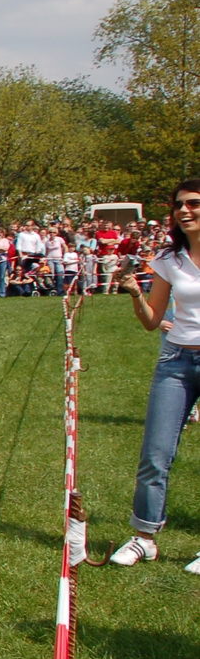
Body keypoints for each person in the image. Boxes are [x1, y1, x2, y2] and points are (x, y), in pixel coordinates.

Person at [112, 181, 200, 571]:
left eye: (194, 204)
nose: (185, 211)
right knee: (155, 454)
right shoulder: (169, 259)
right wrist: (134, 291)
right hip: (175, 362)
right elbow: (152, 321)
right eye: (179, 206)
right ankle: (144, 537)